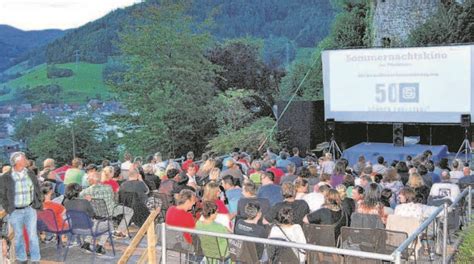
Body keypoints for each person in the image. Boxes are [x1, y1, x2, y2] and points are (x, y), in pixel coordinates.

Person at [0, 152, 42, 263]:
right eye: (24, 159)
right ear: (18, 162)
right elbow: (2, 195)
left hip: (30, 209)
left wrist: (37, 203)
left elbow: (37, 188)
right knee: (18, 237)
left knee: (33, 236)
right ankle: (22, 259)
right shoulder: (5, 177)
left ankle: (35, 260)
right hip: (15, 212)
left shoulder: (30, 173)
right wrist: (9, 209)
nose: (26, 160)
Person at [80, 171, 133, 238]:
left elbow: (78, 197)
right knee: (130, 211)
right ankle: (119, 231)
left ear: (91, 180)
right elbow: (113, 199)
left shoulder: (86, 191)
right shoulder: (108, 187)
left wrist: (87, 199)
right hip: (111, 211)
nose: (87, 179)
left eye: (88, 178)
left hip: (96, 213)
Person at [63, 183, 108, 254]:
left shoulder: (65, 202)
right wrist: (89, 202)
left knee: (94, 222)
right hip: (87, 229)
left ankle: (86, 243)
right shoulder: (84, 202)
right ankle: (99, 246)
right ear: (78, 192)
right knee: (108, 224)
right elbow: (92, 215)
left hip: (74, 228)